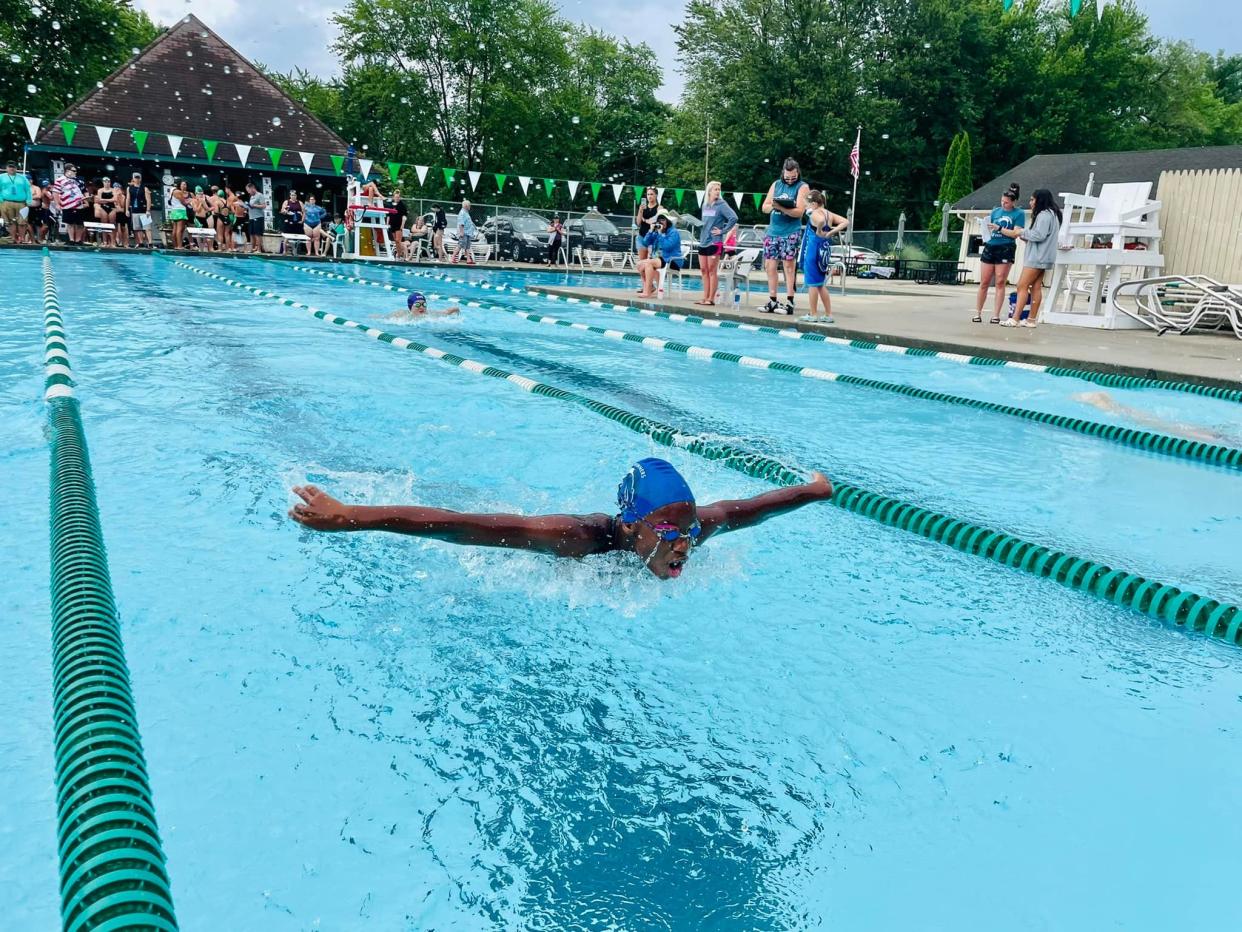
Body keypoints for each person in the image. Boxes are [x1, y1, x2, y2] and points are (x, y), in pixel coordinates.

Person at [289, 457, 834, 580]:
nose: (687, 545)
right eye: (671, 533)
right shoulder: (576, 538)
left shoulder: (694, 527)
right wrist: (353, 516)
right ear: (633, 524)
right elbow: (456, 524)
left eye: (690, 532)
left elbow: (758, 507)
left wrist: (815, 490)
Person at [999, 188, 1061, 329]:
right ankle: (1031, 320)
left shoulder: (1044, 215)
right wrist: (1028, 237)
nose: (1030, 202)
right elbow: (1043, 236)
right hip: (1045, 256)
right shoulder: (1054, 214)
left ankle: (1015, 319)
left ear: (1040, 200)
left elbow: (1039, 235)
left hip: (1037, 257)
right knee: (1036, 287)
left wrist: (1022, 232)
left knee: (1022, 285)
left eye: (1033, 199)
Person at [760, 158, 809, 315]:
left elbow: (799, 212)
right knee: (770, 266)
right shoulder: (776, 184)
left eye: (793, 177)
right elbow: (765, 207)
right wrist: (775, 205)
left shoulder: (802, 187)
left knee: (788, 266)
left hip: (790, 231)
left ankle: (789, 301)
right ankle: (773, 300)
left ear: (797, 173)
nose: (790, 180)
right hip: (773, 231)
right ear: (783, 173)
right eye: (787, 177)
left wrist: (782, 207)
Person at [972, 183, 1025, 324]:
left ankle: (995, 315)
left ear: (1013, 202)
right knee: (984, 281)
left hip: (1005, 248)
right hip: (991, 245)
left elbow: (1015, 233)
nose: (1004, 204)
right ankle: (978, 312)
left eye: (1007, 202)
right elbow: (990, 227)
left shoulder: (1019, 214)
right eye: (1002, 201)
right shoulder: (996, 211)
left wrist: (999, 228)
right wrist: (985, 228)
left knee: (1000, 281)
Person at [799, 190, 849, 323]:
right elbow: (845, 222)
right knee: (820, 284)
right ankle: (828, 314)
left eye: (807, 204)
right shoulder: (829, 213)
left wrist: (819, 230)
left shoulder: (815, 213)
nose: (806, 207)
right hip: (824, 250)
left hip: (814, 249)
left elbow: (819, 220)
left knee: (812, 284)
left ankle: (813, 314)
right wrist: (831, 232)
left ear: (814, 204)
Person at [695, 181, 738, 307]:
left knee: (712, 270)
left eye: (719, 189)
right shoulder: (705, 205)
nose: (718, 191)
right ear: (709, 191)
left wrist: (723, 231)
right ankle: (705, 297)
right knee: (704, 270)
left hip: (714, 242)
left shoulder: (722, 204)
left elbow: (733, 218)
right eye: (715, 189)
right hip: (703, 241)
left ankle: (711, 299)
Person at [635, 211, 683, 298]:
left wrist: (661, 234)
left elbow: (667, 247)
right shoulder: (657, 231)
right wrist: (650, 230)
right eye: (659, 220)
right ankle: (651, 287)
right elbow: (645, 242)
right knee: (639, 264)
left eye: (663, 220)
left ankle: (647, 291)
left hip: (672, 260)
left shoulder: (673, 232)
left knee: (648, 263)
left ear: (668, 221)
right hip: (660, 259)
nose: (661, 222)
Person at [52, 164, 88, 244]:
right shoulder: (60, 180)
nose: (75, 172)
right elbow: (55, 193)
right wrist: (57, 204)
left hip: (79, 205)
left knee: (80, 223)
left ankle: (78, 240)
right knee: (70, 223)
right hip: (67, 204)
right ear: (67, 171)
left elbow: (84, 190)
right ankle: (71, 239)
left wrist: (87, 198)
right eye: (74, 171)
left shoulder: (78, 180)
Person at [0, 160, 33, 244]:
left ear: (16, 168)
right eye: (10, 167)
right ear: (6, 168)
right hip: (6, 202)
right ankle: (13, 238)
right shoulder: (1, 177)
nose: (11, 168)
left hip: (21, 203)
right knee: (10, 222)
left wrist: (29, 200)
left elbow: (28, 190)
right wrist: (0, 199)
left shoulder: (23, 177)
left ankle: (22, 238)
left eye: (13, 167)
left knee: (22, 222)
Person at [378, 291, 461, 321]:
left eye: (424, 304)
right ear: (411, 306)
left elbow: (445, 312)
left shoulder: (430, 314)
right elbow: (384, 318)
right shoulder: (401, 315)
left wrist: (455, 309)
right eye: (417, 304)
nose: (421, 307)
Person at [127, 172, 153, 248]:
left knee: (147, 227)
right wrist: (127, 209)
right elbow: (128, 199)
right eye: (135, 178)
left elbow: (148, 200)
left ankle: (150, 243)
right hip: (135, 210)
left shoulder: (144, 188)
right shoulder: (130, 188)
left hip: (144, 211)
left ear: (140, 179)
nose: (137, 179)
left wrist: (148, 210)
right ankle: (141, 242)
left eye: (138, 178)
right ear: (133, 179)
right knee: (138, 228)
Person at [633, 186, 660, 261]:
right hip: (642, 237)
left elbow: (655, 221)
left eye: (651, 194)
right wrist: (640, 211)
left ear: (656, 195)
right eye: (648, 194)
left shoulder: (659, 208)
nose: (649, 196)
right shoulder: (643, 208)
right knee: (642, 263)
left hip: (653, 238)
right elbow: (638, 223)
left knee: (651, 263)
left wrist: (644, 220)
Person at [167, 180, 190, 250]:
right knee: (180, 230)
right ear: (179, 184)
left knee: (175, 229)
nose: (183, 186)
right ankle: (180, 246)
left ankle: (175, 246)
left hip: (174, 211)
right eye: (182, 184)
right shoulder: (178, 192)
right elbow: (184, 202)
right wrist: (190, 201)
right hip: (180, 211)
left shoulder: (171, 190)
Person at [245, 182, 267, 254]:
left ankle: (259, 249)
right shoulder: (251, 197)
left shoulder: (260, 195)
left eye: (248, 190)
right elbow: (251, 206)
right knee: (252, 234)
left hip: (258, 217)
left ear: (252, 188)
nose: (248, 192)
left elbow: (264, 206)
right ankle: (253, 248)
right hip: (251, 217)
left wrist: (254, 205)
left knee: (258, 234)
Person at [387, 189, 409, 258]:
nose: (397, 198)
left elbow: (404, 216)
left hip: (399, 224)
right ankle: (399, 254)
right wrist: (387, 224)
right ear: (393, 197)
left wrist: (402, 225)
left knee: (398, 240)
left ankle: (401, 254)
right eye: (396, 197)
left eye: (398, 197)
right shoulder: (391, 204)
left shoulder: (402, 205)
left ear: (400, 197)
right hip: (392, 224)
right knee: (395, 241)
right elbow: (389, 215)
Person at [453, 200, 476, 264]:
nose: (470, 207)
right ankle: (453, 257)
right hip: (464, 232)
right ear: (466, 206)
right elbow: (461, 223)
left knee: (468, 247)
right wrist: (462, 232)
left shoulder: (466, 212)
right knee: (460, 245)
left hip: (468, 233)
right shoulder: (462, 213)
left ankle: (468, 259)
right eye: (469, 205)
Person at [111, 181, 130, 248]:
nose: (116, 189)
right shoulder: (111, 194)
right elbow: (114, 205)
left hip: (121, 213)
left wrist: (119, 197)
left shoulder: (123, 196)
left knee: (123, 228)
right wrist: (116, 196)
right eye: (115, 188)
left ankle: (125, 243)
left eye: (118, 188)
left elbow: (122, 207)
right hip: (114, 213)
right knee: (114, 228)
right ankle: (114, 242)